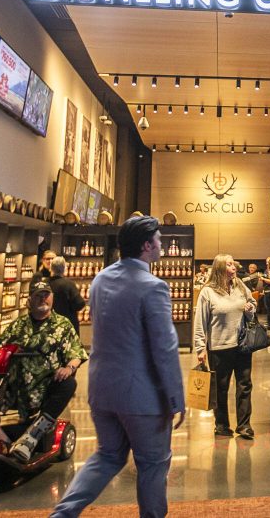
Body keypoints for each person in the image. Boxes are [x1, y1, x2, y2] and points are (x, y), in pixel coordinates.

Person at [51, 216, 184, 518]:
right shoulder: (154, 288)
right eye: (159, 240)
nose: (162, 245)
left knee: (107, 456)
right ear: (147, 245)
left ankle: (64, 513)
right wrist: (175, 397)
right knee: (153, 464)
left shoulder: (100, 279)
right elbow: (164, 348)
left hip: (102, 390)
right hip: (142, 396)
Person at [0, 278, 87, 462]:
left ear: (52, 298)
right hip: (18, 385)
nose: (43, 300)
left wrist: (69, 367)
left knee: (68, 384)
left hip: (47, 383)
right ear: (30, 300)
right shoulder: (19, 325)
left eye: (46, 295)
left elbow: (77, 352)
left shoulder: (62, 325)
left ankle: (33, 436)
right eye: (38, 296)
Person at [193, 254, 257, 439]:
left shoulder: (240, 286)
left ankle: (244, 426)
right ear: (220, 268)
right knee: (221, 388)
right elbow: (200, 322)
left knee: (244, 386)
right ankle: (221, 425)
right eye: (229, 264)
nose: (234, 267)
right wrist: (200, 348)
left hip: (242, 345)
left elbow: (251, 301)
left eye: (233, 263)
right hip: (219, 348)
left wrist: (250, 309)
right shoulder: (208, 292)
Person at [48, 255, 86, 335]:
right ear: (64, 269)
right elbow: (80, 304)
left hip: (49, 323)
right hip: (67, 323)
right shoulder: (68, 284)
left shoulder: (45, 284)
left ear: (51, 268)